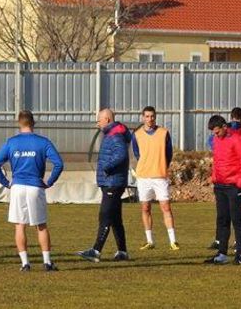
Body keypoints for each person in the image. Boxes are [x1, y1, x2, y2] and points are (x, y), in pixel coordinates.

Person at [0, 110, 64, 272]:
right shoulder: (43, 142)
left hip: (17, 187)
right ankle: (47, 262)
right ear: (33, 123)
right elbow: (59, 164)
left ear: (19, 123)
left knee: (20, 226)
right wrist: (49, 182)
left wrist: (6, 183)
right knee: (41, 226)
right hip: (35, 187)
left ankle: (25, 263)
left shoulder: (11, 142)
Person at [77, 109, 132, 262]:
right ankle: (122, 251)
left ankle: (96, 251)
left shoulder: (115, 135)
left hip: (113, 182)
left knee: (105, 215)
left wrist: (106, 167)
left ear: (107, 119)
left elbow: (121, 155)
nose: (97, 123)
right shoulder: (111, 134)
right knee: (115, 218)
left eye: (99, 120)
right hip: (111, 181)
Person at [204, 115, 241, 265]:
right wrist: (214, 177)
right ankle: (222, 254)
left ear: (225, 127)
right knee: (222, 219)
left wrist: (240, 183)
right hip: (220, 185)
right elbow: (217, 161)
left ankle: (240, 254)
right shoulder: (217, 140)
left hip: (234, 186)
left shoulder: (238, 140)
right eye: (213, 133)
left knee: (236, 220)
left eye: (217, 132)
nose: (215, 135)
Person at [131, 106, 179, 251]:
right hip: (144, 177)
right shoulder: (137, 134)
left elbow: (168, 153)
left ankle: (173, 240)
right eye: (147, 116)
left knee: (166, 207)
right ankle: (149, 240)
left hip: (160, 176)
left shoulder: (164, 133)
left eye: (152, 116)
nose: (149, 119)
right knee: (145, 207)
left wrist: (161, 164)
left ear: (155, 117)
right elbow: (137, 153)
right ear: (142, 117)